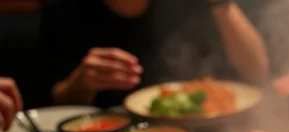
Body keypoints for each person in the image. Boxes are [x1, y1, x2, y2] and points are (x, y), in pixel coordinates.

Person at [40, 0, 269, 108]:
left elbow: (258, 69)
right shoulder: (64, 11)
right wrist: (83, 81)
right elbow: (56, 103)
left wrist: (222, 5)